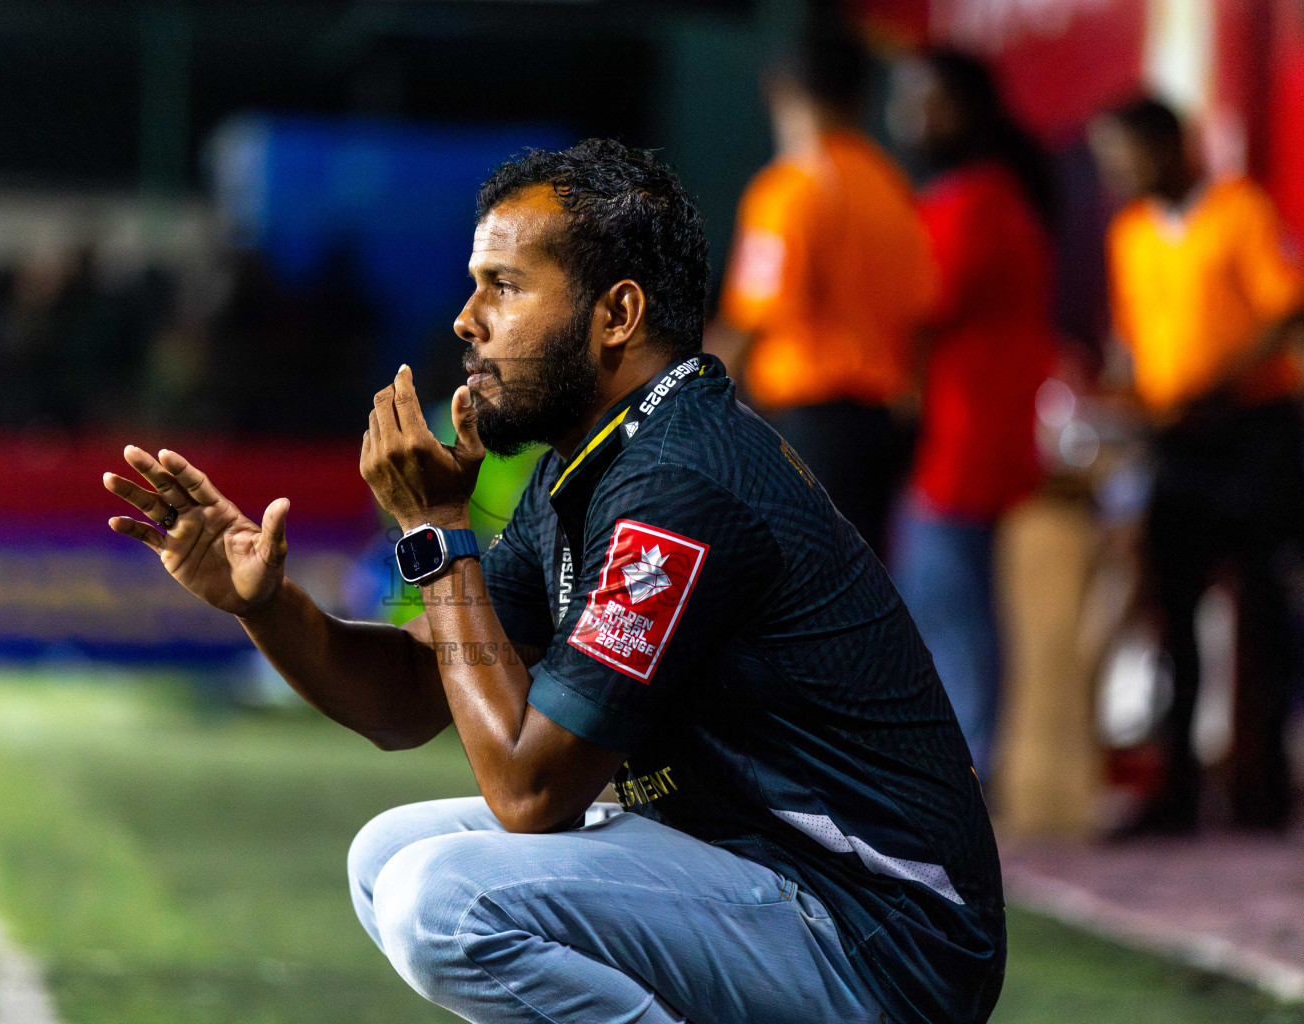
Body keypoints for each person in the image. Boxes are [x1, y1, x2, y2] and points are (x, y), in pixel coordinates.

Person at [103, 140, 1004, 1024]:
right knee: (390, 855)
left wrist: (436, 533)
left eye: (503, 285)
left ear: (616, 314)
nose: (466, 318)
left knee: (443, 898)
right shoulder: (595, 465)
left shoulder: (678, 483)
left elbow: (532, 795)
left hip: (880, 939)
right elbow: (414, 695)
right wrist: (267, 606)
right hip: (760, 872)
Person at [1089, 97, 1304, 833]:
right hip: (1173, 442)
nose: (1115, 173)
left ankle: (1262, 789)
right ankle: (1174, 790)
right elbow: (1132, 340)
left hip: (1250, 432)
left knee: (1262, 611)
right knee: (1171, 611)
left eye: (1125, 155)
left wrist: (1210, 386)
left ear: (1171, 147)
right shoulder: (1129, 234)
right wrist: (1121, 402)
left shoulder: (1240, 211)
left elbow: (1285, 313)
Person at [884, 50, 1059, 783]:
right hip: (966, 439)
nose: (905, 116)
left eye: (919, 98)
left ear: (956, 108)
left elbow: (911, 307)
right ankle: (963, 773)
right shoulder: (984, 196)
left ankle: (963, 778)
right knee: (952, 612)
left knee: (948, 617)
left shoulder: (975, 204)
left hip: (962, 444)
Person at [708, 30, 933, 557]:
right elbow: (921, 318)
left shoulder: (789, 190)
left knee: (800, 598)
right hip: (884, 427)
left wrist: (677, 401)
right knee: (861, 590)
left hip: (809, 432)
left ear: (780, 93)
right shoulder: (893, 188)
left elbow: (750, 322)